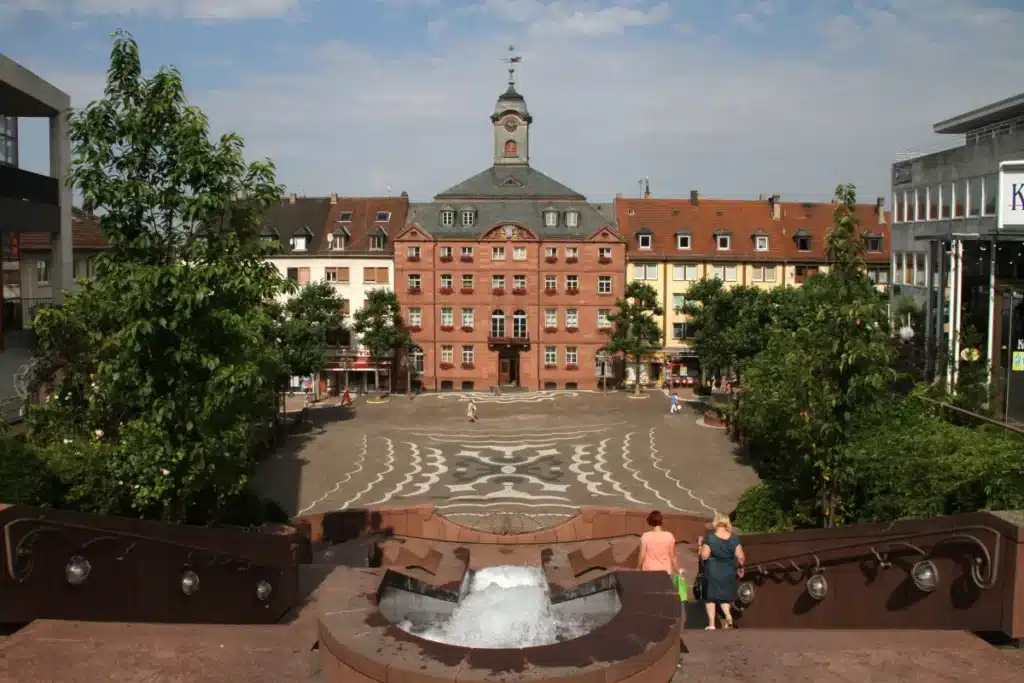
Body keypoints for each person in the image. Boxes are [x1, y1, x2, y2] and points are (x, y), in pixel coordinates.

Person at [699, 512, 745, 630]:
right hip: (729, 569)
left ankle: (712, 624)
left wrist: (700, 546)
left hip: (713, 569)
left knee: (710, 597)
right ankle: (728, 616)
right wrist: (741, 568)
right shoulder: (734, 538)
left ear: (716, 522)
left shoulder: (710, 538)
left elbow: (704, 556)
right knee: (724, 597)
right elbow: (740, 557)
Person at [637, 510, 682, 579]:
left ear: (650, 522)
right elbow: (673, 556)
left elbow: (642, 555)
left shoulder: (645, 536)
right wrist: (678, 570)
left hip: (649, 570)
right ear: (661, 521)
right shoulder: (669, 536)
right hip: (665, 571)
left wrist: (638, 567)